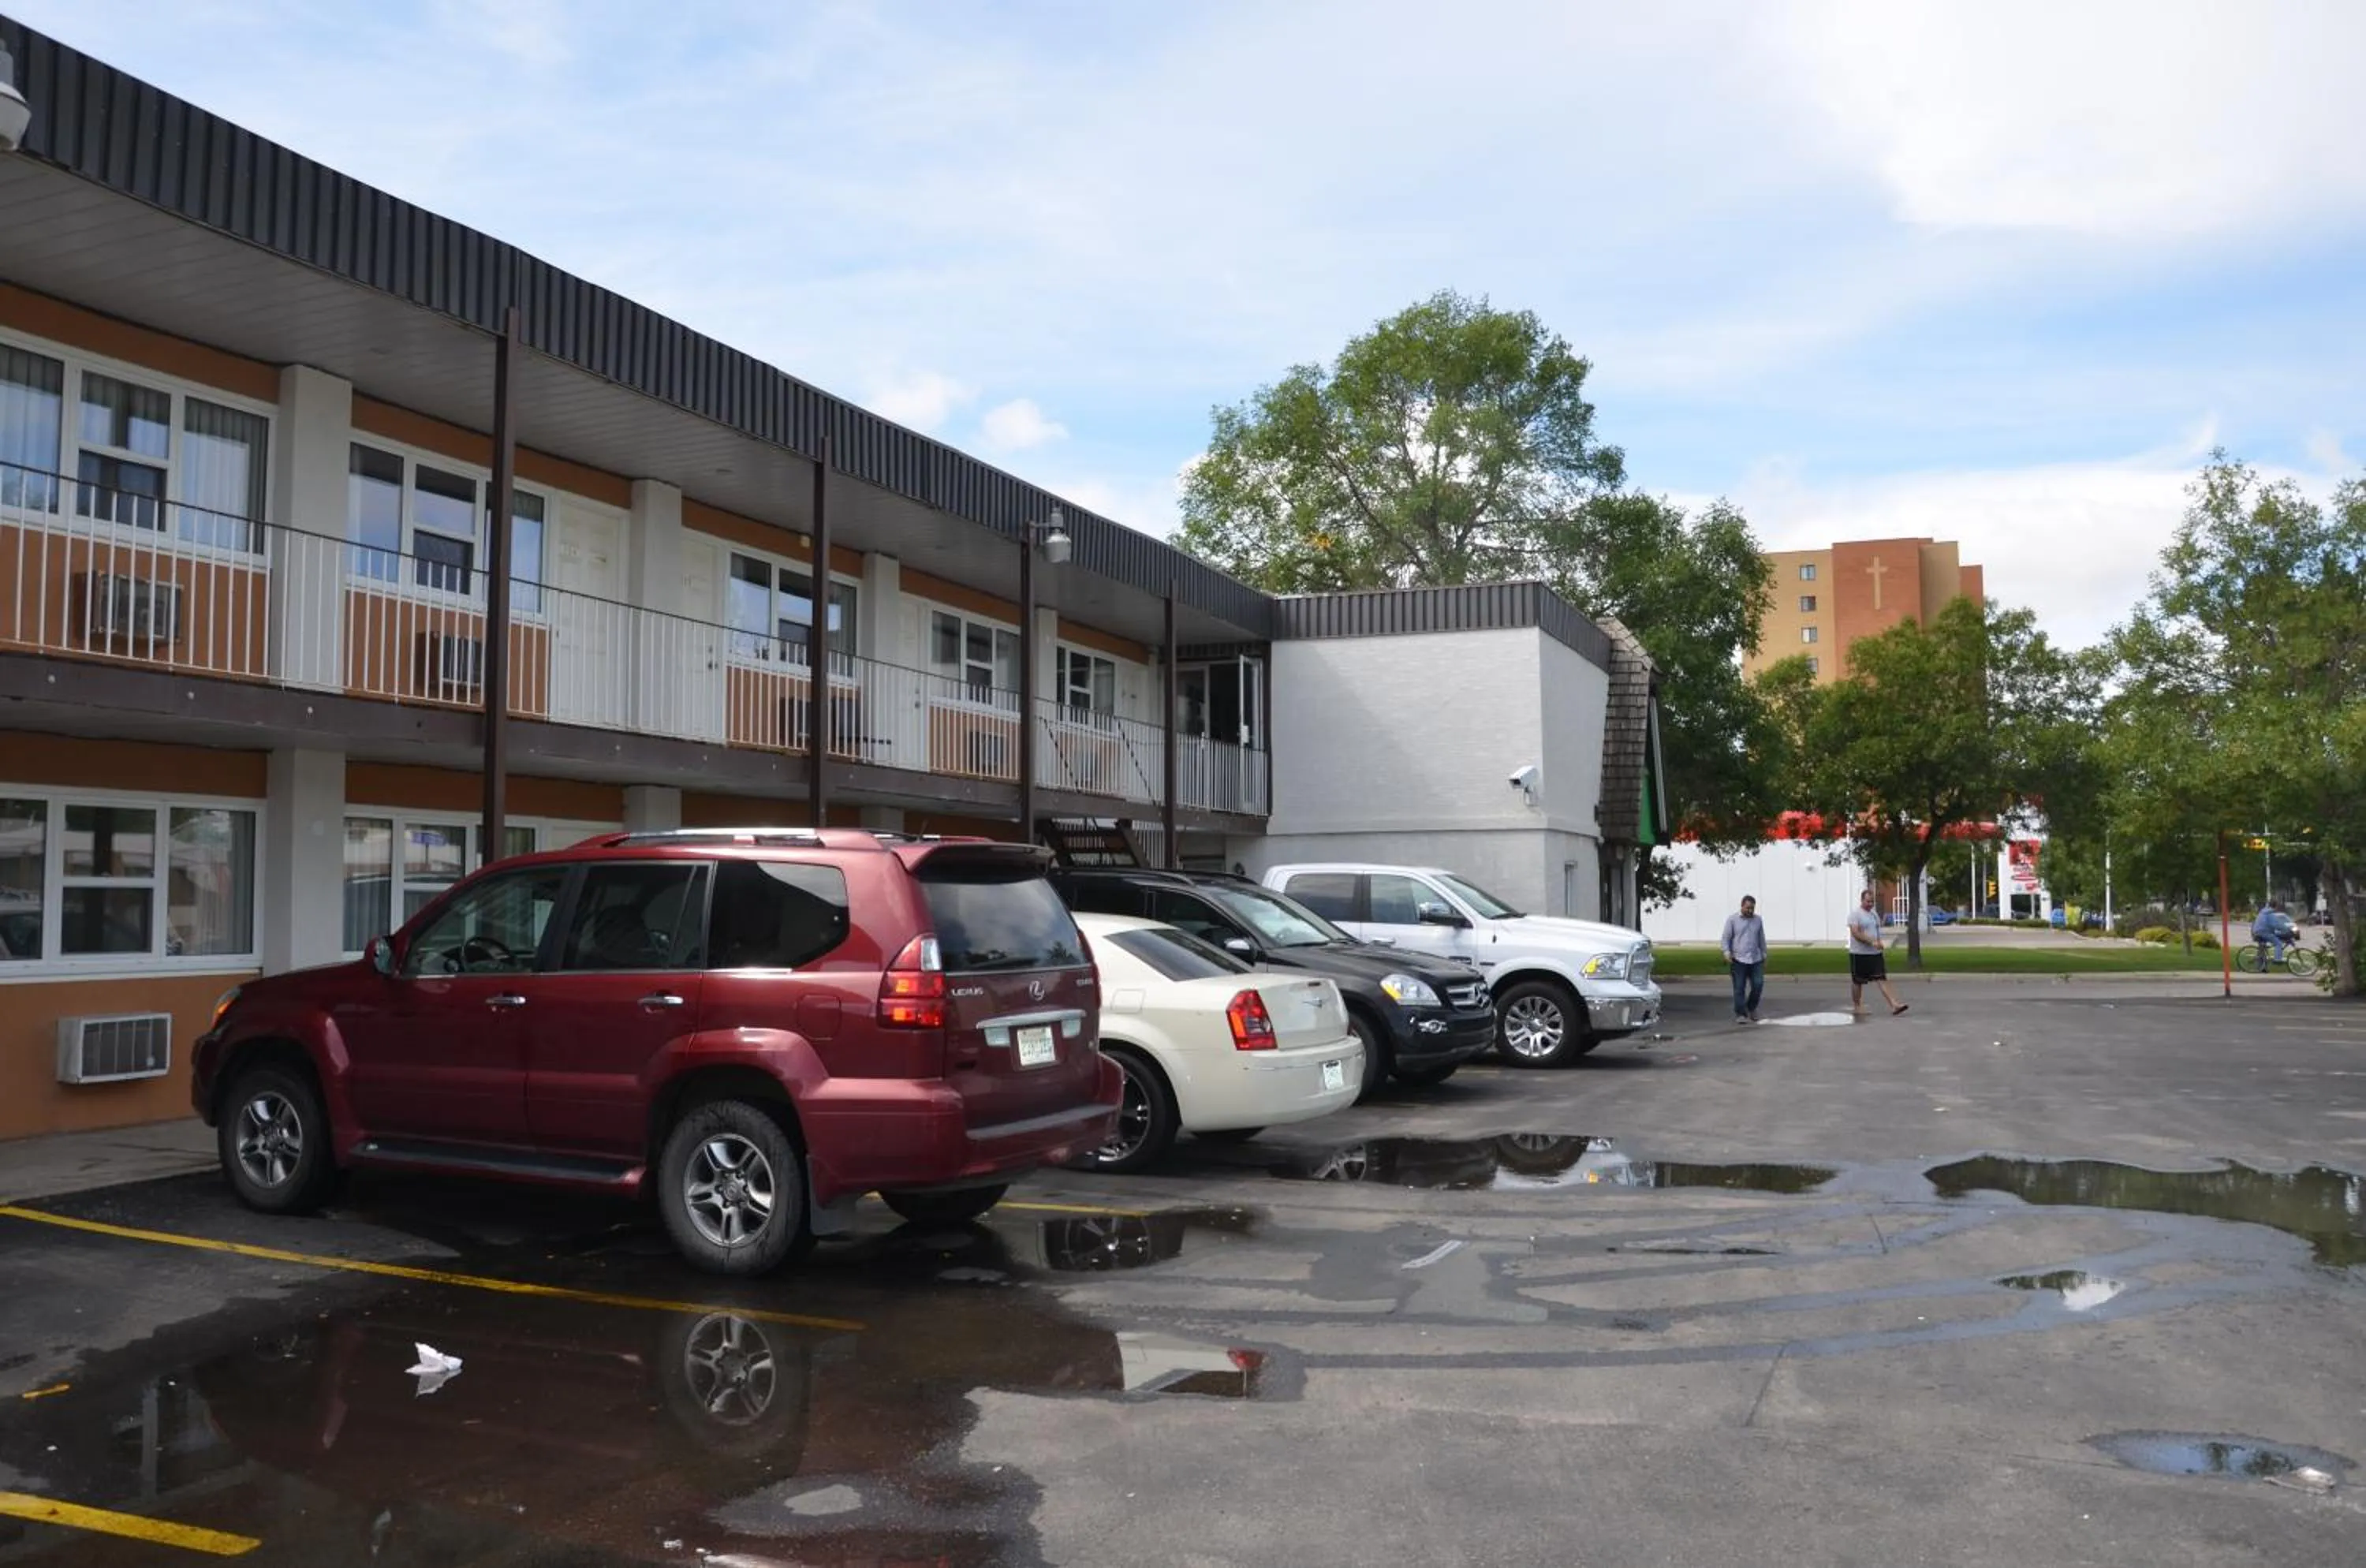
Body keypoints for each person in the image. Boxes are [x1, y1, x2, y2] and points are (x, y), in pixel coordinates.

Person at [1845, 888, 1908, 1017]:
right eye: (1868, 901)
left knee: (1881, 978)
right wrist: (1871, 942)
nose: (1870, 904)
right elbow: (1856, 933)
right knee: (1858, 981)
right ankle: (1857, 1006)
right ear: (1862, 900)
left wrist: (1879, 944)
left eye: (1872, 902)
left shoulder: (1874, 914)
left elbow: (1876, 930)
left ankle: (1894, 1005)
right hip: (1859, 954)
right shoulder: (1855, 914)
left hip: (1875, 954)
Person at [1721, 894, 1767, 1023]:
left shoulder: (1758, 920)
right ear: (1742, 906)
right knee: (1739, 987)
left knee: (1758, 985)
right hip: (1738, 959)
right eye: (1748, 908)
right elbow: (1726, 938)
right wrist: (1726, 952)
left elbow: (1761, 938)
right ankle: (1741, 1013)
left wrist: (1764, 954)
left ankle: (1751, 1008)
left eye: (1752, 908)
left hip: (1755, 958)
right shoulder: (1732, 920)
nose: (1750, 911)